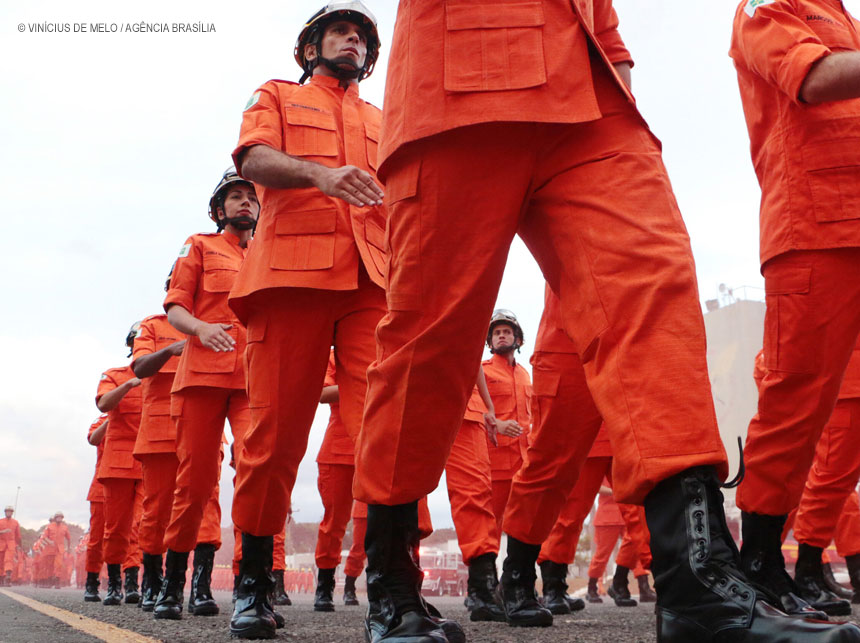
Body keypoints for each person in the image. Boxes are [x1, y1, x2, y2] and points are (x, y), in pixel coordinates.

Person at [352, 0, 860, 640]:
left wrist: (621, 98)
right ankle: (392, 583)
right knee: (432, 336)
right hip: (459, 83)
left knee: (655, 293)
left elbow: (610, 35)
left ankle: (699, 589)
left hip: (594, 106)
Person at [228, 3, 426, 639]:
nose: (353, 41)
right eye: (341, 32)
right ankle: (255, 585)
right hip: (290, 278)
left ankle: (395, 593)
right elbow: (252, 159)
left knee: (391, 429)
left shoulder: (383, 114)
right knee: (272, 438)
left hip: (374, 281)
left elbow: (408, 189)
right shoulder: (278, 94)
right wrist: (319, 174)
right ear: (310, 46)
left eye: (362, 36)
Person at [729, 0, 860, 627]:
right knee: (796, 403)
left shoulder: (845, 18)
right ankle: (760, 565)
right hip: (815, 225)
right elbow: (811, 78)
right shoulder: (767, 8)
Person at [155, 168, 257, 620]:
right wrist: (200, 328)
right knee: (195, 485)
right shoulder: (199, 246)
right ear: (219, 209)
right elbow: (176, 308)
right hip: (201, 378)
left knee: (259, 469)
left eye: (251, 198)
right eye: (235, 197)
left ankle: (253, 587)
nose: (245, 204)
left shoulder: (270, 254)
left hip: (254, 381)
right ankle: (174, 585)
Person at [313, 350, 367, 611]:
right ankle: (324, 586)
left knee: (382, 523)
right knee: (334, 521)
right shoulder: (335, 356)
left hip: (375, 448)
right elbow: (322, 393)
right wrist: (364, 385)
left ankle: (382, 587)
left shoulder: (387, 345)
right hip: (339, 449)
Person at [95, 324, 144, 606]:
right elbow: (103, 405)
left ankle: (135, 581)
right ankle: (114, 583)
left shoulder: (163, 376)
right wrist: (128, 384)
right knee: (116, 528)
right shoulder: (114, 376)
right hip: (117, 462)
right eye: (138, 341)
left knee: (142, 525)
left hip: (150, 456)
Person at [83, 415, 108, 601]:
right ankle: (92, 582)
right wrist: (112, 417)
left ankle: (127, 583)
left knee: (131, 535)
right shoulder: (102, 420)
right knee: (97, 538)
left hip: (134, 482)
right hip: (102, 485)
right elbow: (93, 439)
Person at [0, 506, 22, 587]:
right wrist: (3, 531)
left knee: (8, 560)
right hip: (1, 544)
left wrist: (19, 545)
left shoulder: (15, 522)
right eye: (7, 511)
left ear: (12, 513)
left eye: (10, 512)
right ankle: (1, 579)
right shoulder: (0, 521)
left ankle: (8, 575)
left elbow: (18, 536)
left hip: (11, 544)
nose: (8, 513)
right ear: (5, 512)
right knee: (1, 562)